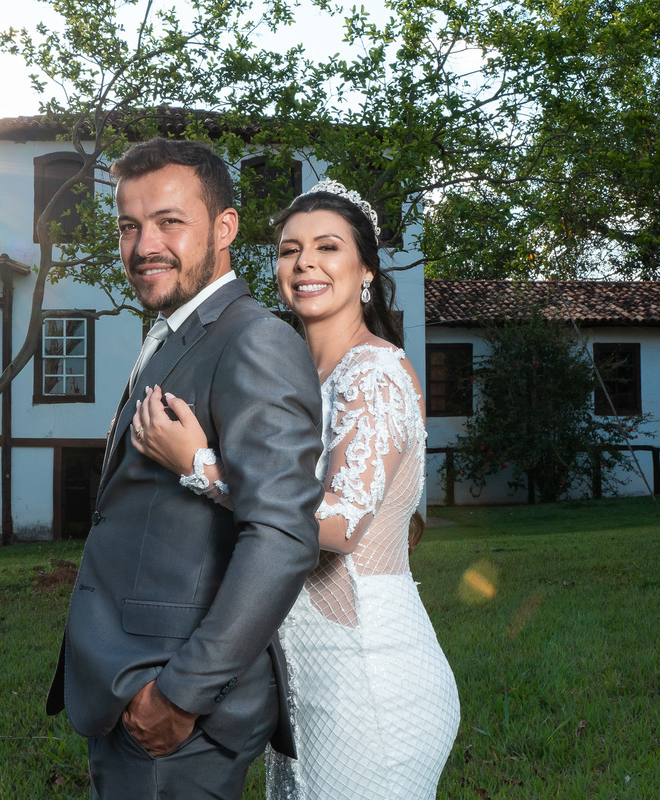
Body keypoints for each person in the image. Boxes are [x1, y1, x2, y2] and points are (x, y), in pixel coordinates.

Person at [131, 181, 461, 799]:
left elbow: (338, 526)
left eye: (328, 247)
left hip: (369, 675)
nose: (305, 262)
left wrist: (200, 465)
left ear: (365, 268)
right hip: (303, 688)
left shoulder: (376, 372)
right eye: (289, 250)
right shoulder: (292, 380)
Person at [45, 138, 325, 800]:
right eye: (129, 226)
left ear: (224, 228)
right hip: (127, 684)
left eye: (170, 221)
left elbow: (283, 537)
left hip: (177, 716)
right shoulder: (172, 331)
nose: (146, 244)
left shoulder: (255, 341)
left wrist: (179, 695)